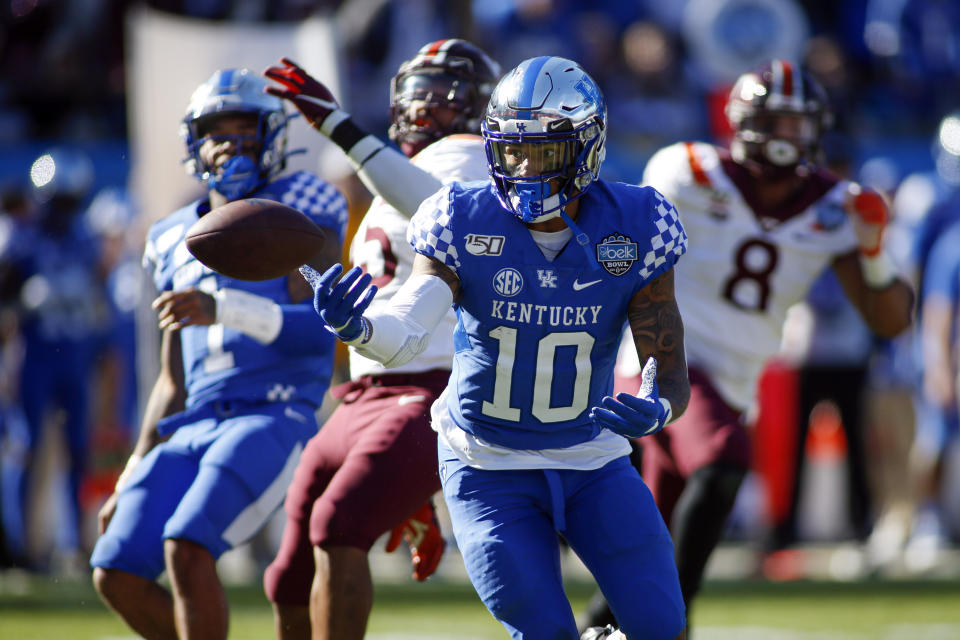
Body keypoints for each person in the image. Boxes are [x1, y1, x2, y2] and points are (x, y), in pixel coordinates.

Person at [306, 55, 690, 640]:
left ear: (586, 147)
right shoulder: (460, 216)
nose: (524, 166)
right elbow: (410, 327)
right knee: (543, 634)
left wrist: (657, 406)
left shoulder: (640, 224)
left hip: (593, 461)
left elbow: (669, 364)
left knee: (662, 628)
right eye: (512, 149)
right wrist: (359, 328)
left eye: (543, 151)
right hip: (488, 466)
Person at [581, 58, 915, 633]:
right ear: (742, 122)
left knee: (654, 538)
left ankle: (599, 626)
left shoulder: (836, 204)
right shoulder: (688, 170)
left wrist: (873, 249)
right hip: (662, 360)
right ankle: (671, 625)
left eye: (798, 124)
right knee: (725, 460)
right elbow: (627, 260)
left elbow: (887, 322)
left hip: (735, 380)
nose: (788, 137)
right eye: (776, 122)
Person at [89, 68, 348, 640]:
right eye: (216, 131)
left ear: (273, 136)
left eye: (245, 129)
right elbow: (171, 377)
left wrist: (225, 308)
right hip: (193, 422)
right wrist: (134, 464)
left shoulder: (302, 207)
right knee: (115, 571)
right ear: (193, 142)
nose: (231, 143)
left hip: (273, 413)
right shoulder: (169, 236)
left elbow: (325, 331)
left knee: (186, 543)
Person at [259, 39, 500, 640]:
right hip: (365, 392)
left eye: (441, 93)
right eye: (415, 92)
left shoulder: (469, 157)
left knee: (339, 527)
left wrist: (339, 127)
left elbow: (432, 206)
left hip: (431, 388)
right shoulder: (392, 177)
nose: (422, 107)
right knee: (287, 570)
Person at [0, 147, 106, 572]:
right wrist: (19, 305)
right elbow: (4, 304)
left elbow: (99, 305)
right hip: (35, 358)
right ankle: (23, 546)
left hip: (75, 358)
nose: (63, 211)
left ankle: (75, 545)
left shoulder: (86, 241)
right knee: (27, 447)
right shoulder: (19, 239)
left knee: (79, 451)